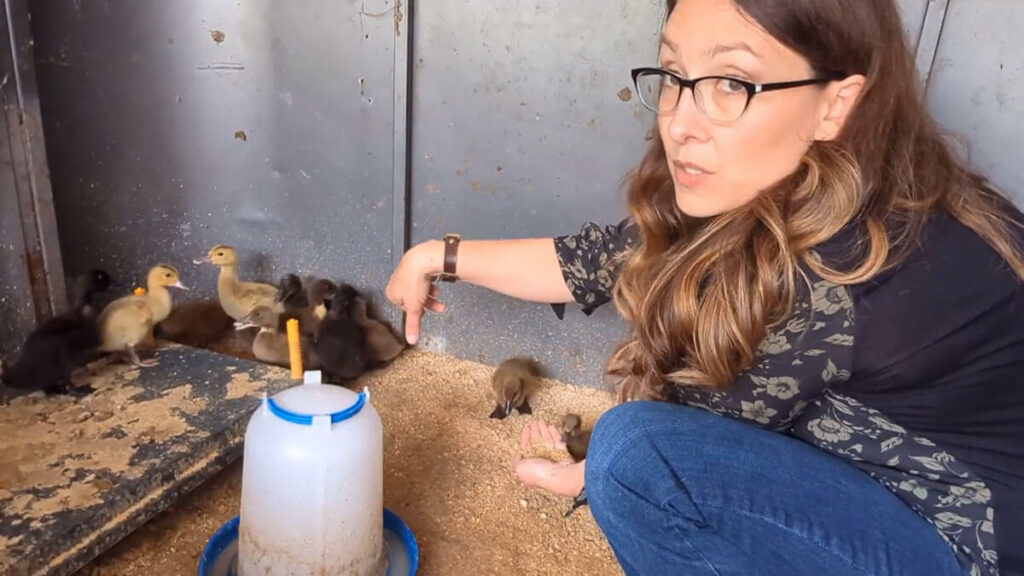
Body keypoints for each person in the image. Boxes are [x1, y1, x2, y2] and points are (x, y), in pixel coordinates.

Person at [385, 0, 1024, 574]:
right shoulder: (817, 180)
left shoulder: (839, 272)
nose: (680, 123)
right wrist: (435, 256)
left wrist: (580, 474)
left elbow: (671, 453)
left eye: (732, 83)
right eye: (674, 76)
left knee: (635, 457)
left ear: (836, 102)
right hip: (875, 491)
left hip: (958, 544)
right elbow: (608, 257)